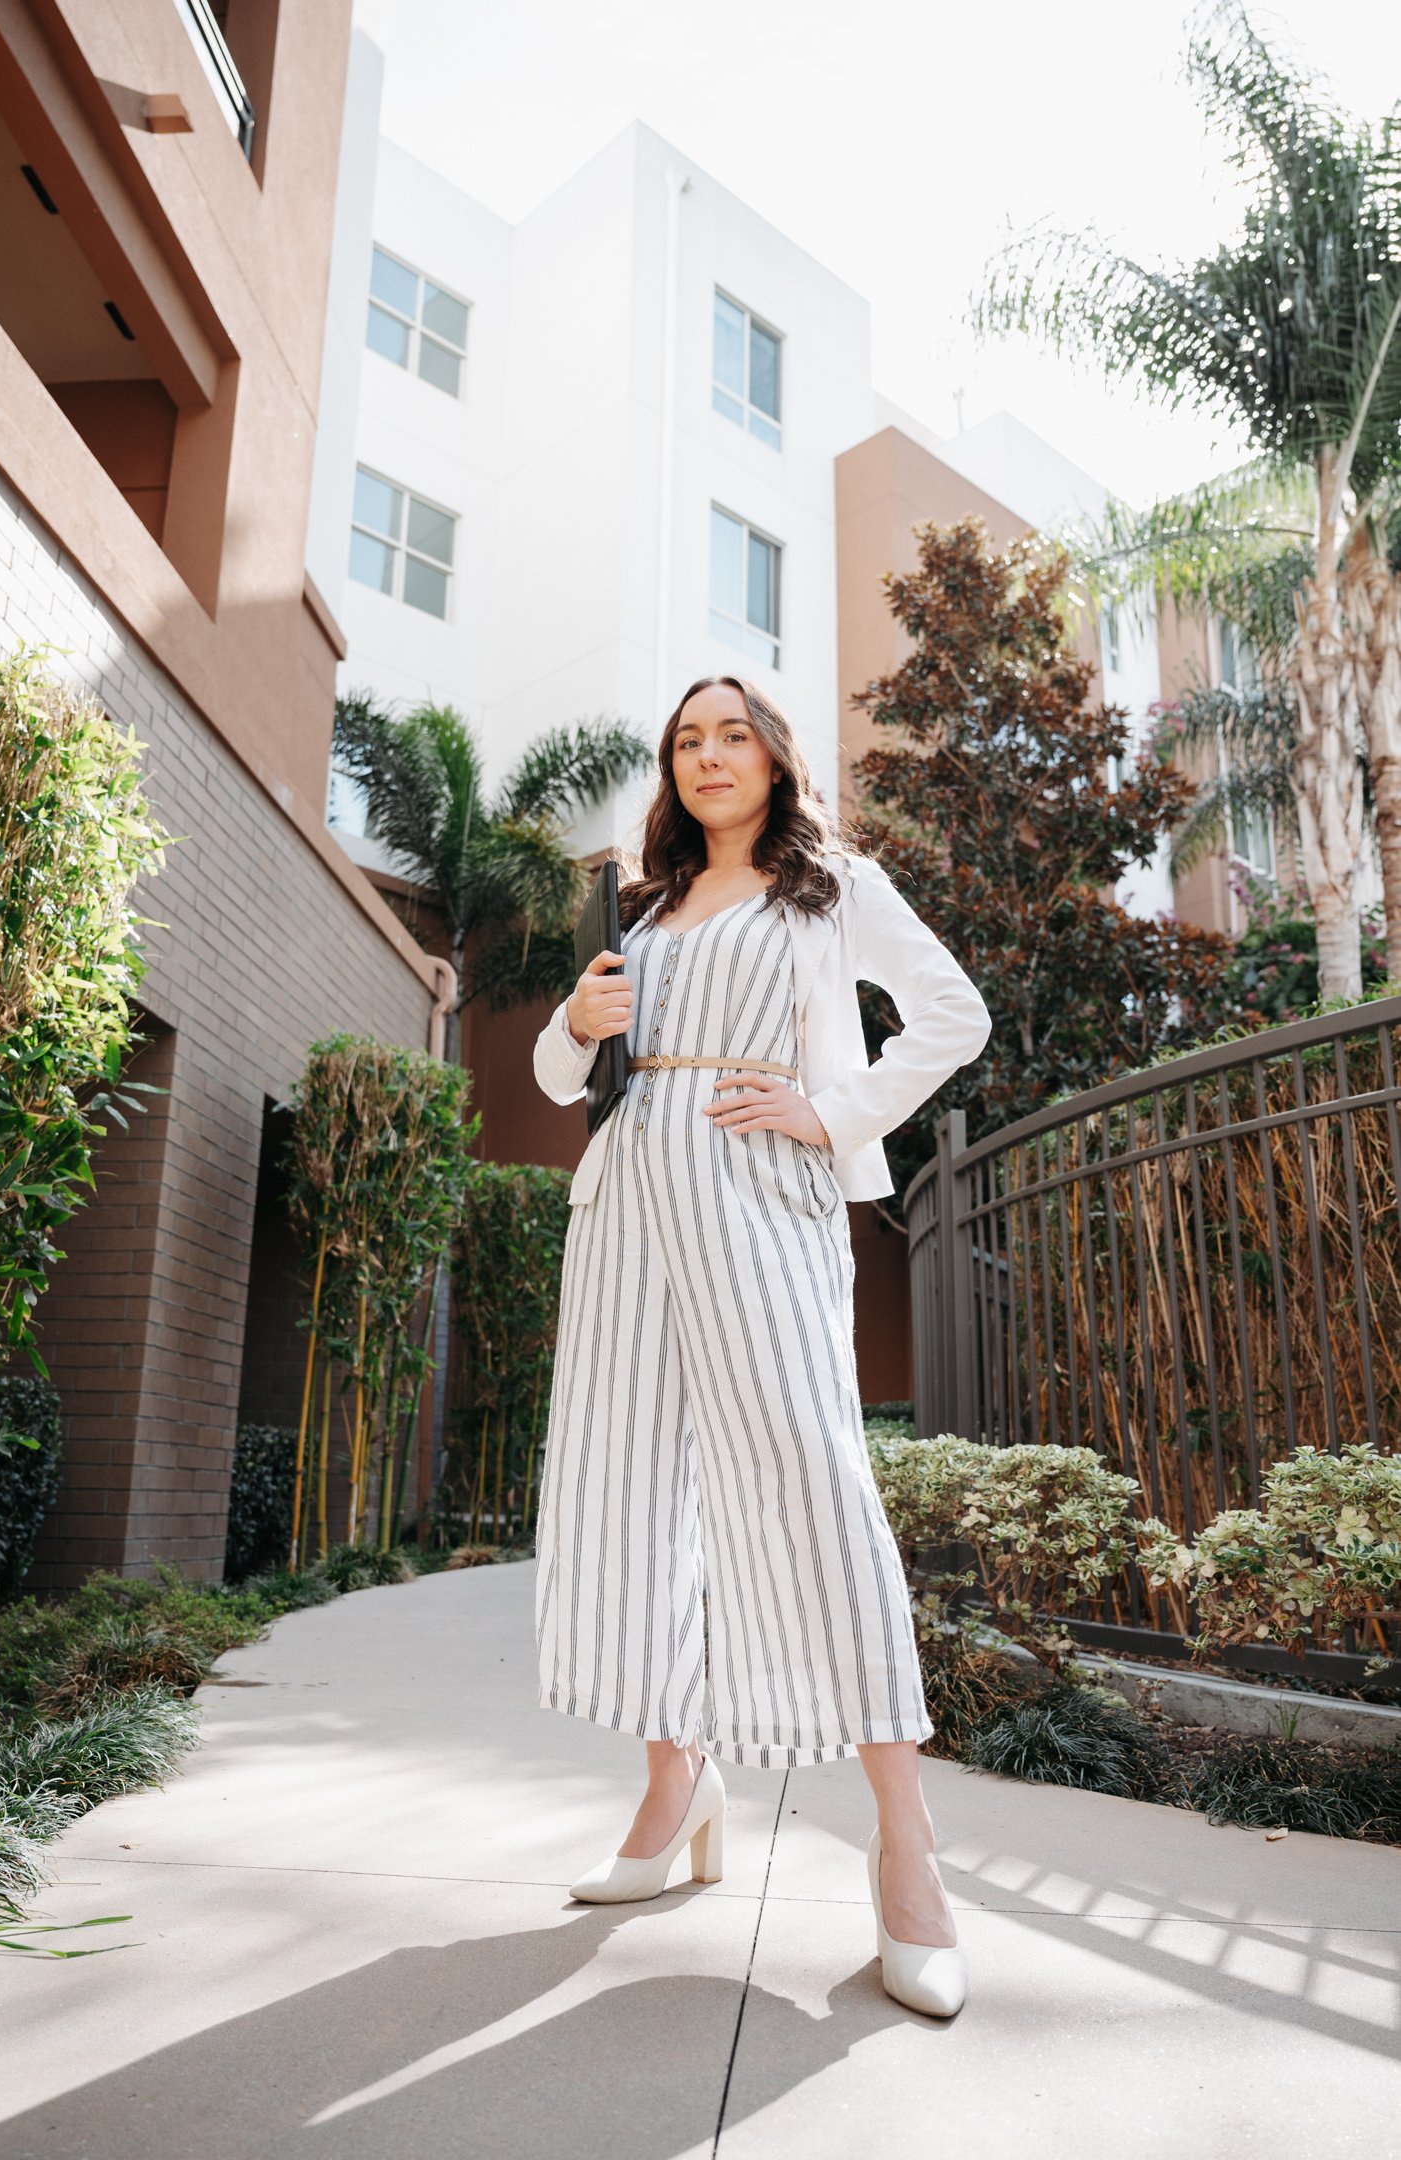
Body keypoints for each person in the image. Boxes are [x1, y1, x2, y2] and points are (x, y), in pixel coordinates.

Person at [531, 673, 991, 2018]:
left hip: (754, 1200)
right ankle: (676, 1784)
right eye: (687, 739)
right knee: (627, 1492)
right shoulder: (647, 911)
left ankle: (904, 1851)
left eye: (733, 733)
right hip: (624, 1213)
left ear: (774, 759)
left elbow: (951, 1015)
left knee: (811, 1492)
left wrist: (831, 1108)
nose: (710, 755)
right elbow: (568, 1082)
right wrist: (575, 1023)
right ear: (669, 773)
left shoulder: (827, 887)